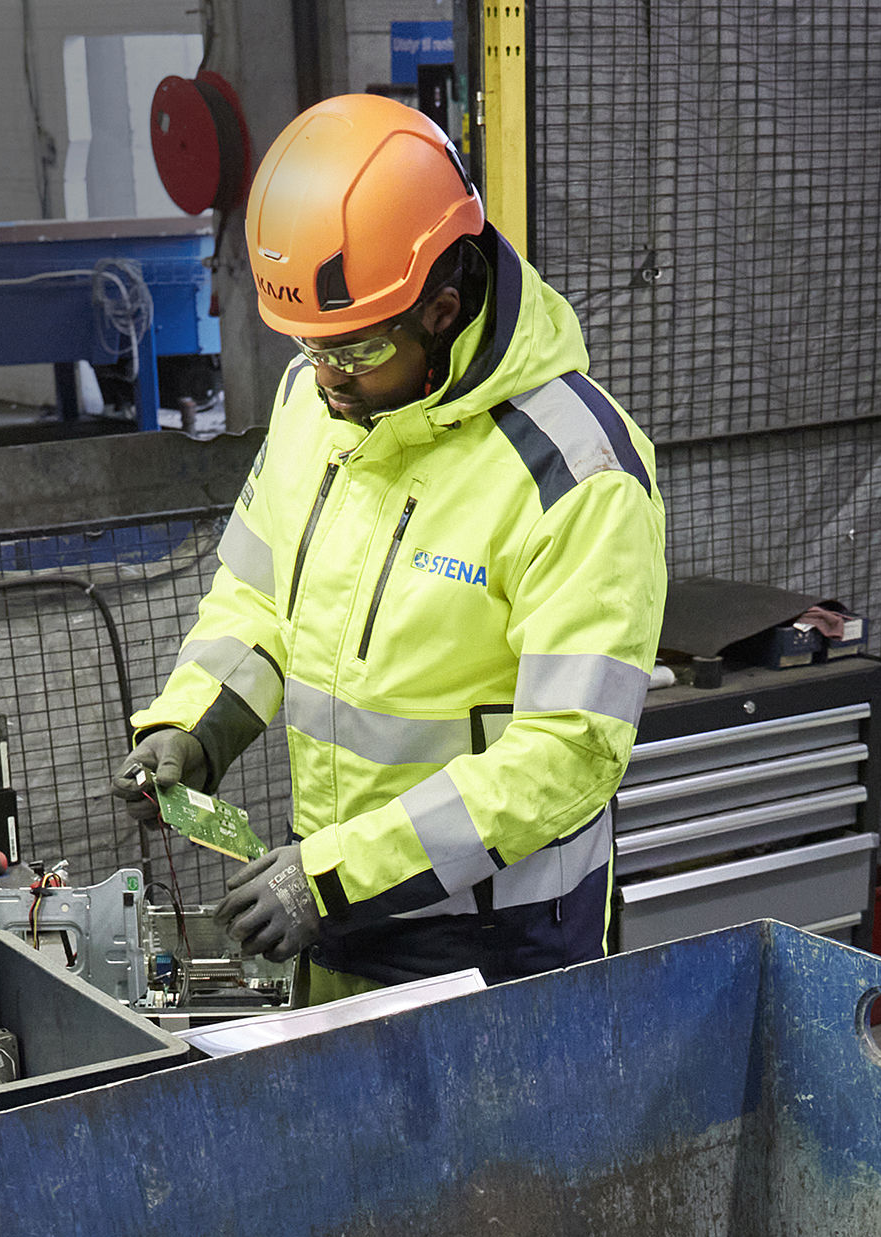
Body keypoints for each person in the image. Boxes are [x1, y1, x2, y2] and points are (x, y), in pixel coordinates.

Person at [120, 94, 665, 1000]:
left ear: (443, 309)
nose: (325, 377)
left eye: (357, 349)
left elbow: (567, 754)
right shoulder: (315, 404)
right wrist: (193, 724)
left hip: (499, 952)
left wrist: (332, 876)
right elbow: (257, 597)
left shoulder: (578, 474)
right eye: (308, 344)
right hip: (332, 921)